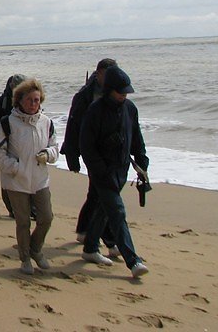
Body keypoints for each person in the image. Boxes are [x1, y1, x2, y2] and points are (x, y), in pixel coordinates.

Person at [79, 66, 150, 278]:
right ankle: (133, 260)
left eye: (126, 91)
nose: (124, 95)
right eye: (121, 91)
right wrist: (100, 170)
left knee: (103, 210)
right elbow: (86, 146)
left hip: (121, 170)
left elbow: (136, 137)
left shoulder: (130, 109)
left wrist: (142, 162)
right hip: (102, 173)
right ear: (109, 89)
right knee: (117, 212)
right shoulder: (95, 111)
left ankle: (90, 249)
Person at [0, 78, 58, 275]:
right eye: (29, 100)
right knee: (23, 221)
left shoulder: (46, 122)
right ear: (19, 100)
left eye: (37, 100)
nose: (33, 104)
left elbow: (54, 147)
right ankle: (25, 258)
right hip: (15, 181)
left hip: (40, 179)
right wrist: (15, 168)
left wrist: (48, 155)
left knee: (46, 217)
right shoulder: (7, 123)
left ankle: (36, 250)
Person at [62, 58, 119, 255]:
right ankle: (111, 240)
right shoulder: (85, 95)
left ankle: (84, 230)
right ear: (99, 73)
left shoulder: (114, 91)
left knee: (96, 192)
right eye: (108, 74)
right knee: (103, 193)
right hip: (91, 151)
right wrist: (71, 154)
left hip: (110, 152)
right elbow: (73, 125)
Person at [0, 74, 27, 218]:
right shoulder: (1, 102)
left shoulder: (27, 101)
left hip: (25, 144)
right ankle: (12, 209)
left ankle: (30, 209)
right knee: (7, 179)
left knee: (27, 178)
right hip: (5, 145)